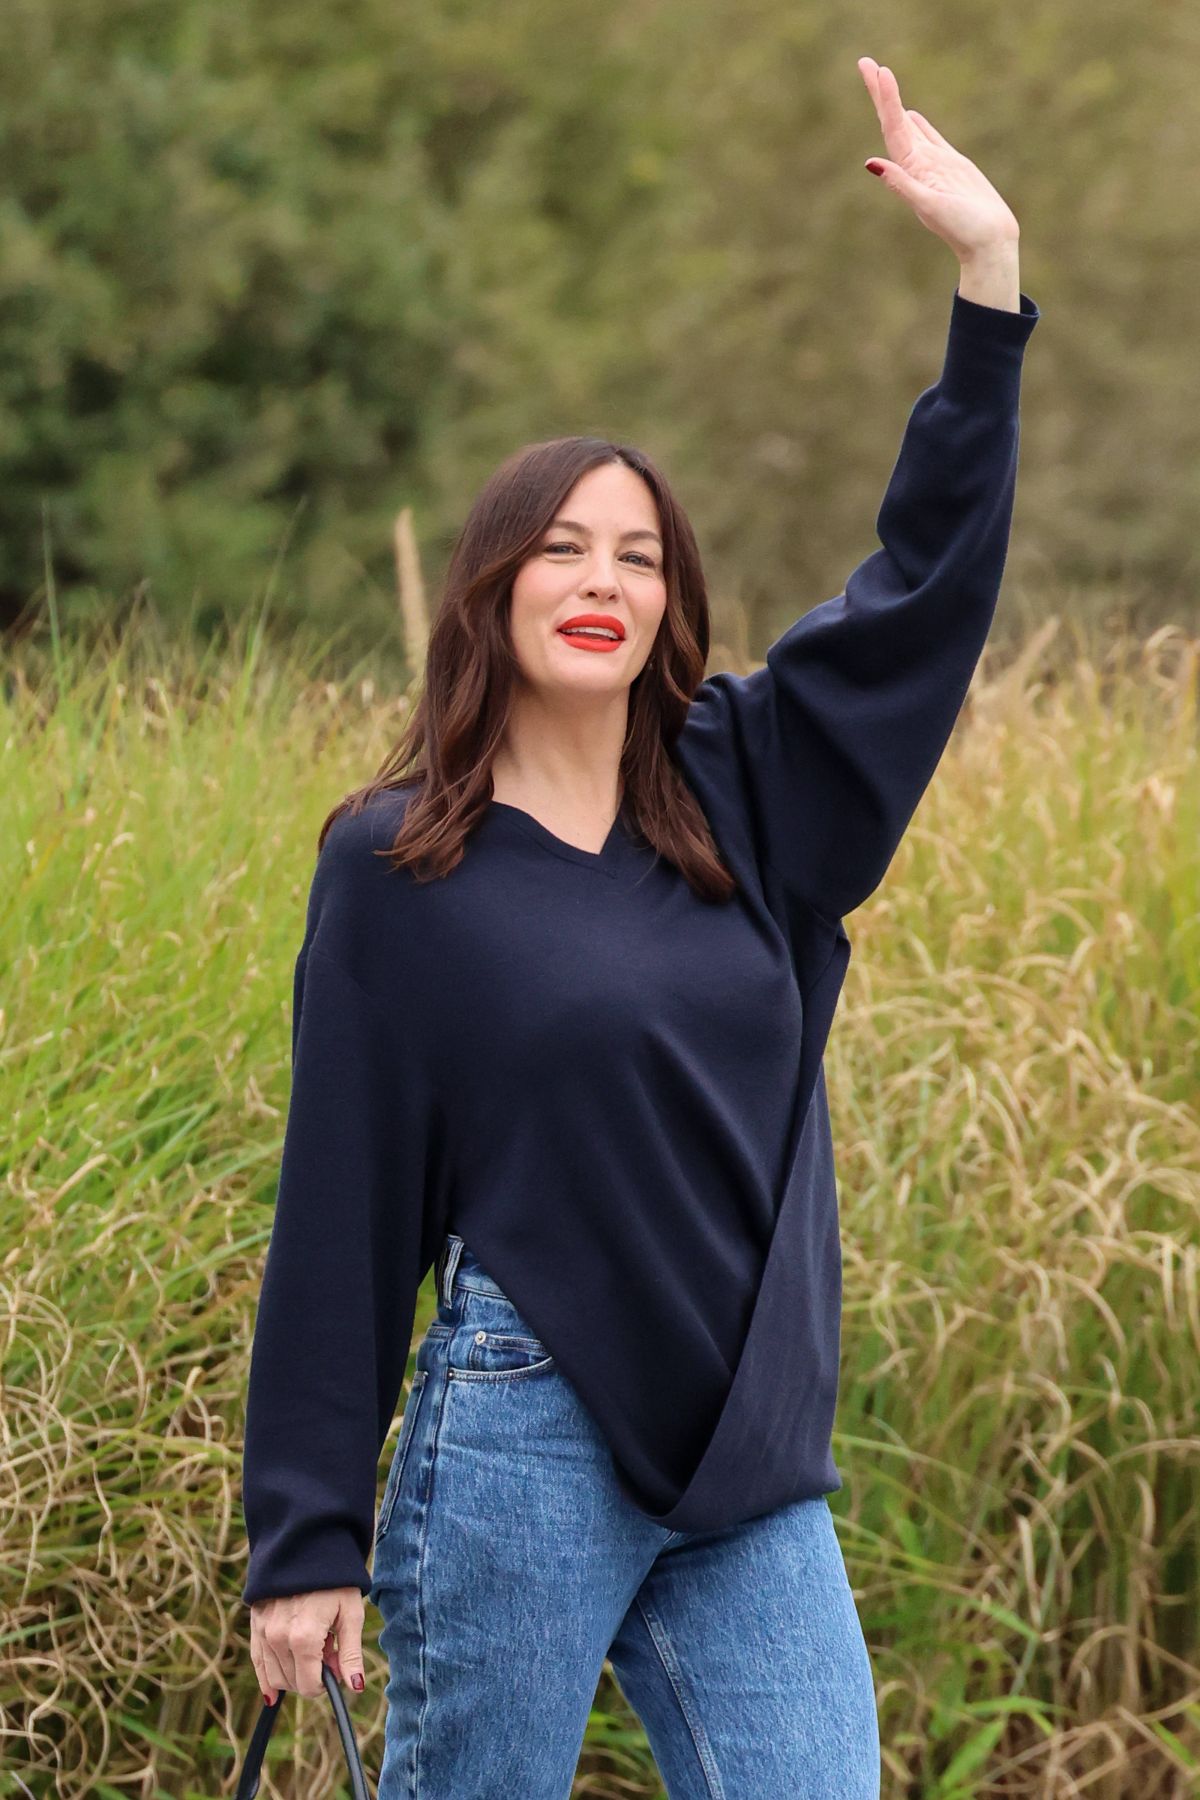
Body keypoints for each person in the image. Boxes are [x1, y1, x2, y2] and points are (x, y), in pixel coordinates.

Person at [241, 55, 1040, 1797]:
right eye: (563, 550)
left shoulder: (749, 785)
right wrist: (305, 1536)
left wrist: (988, 294)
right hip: (523, 1433)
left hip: (747, 1452)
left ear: (671, 600)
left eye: (640, 557)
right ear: (493, 587)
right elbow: (344, 1201)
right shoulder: (398, 867)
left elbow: (917, 600)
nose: (603, 580)